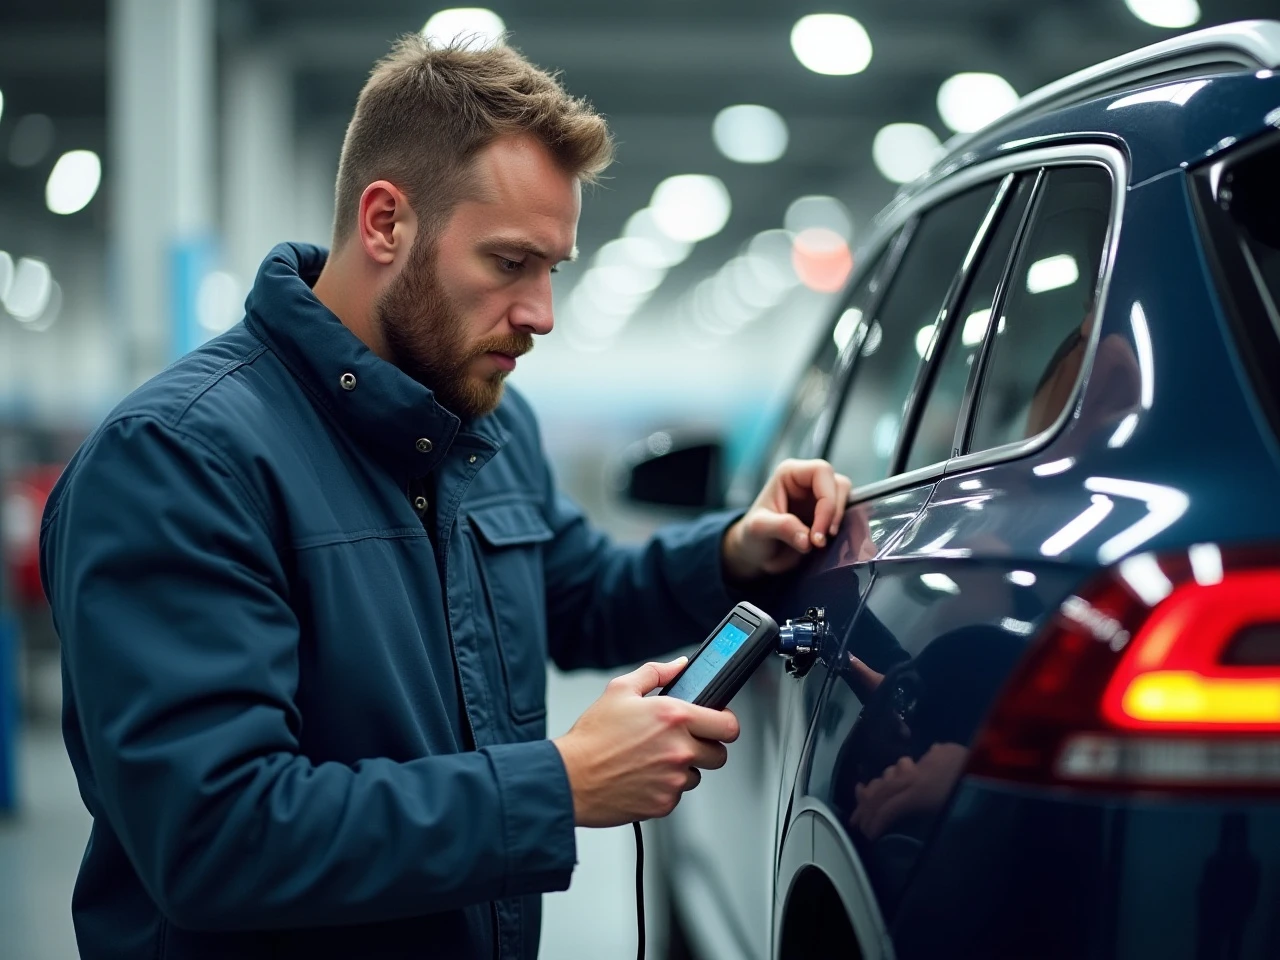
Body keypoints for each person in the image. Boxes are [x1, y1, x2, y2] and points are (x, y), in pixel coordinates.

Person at [39, 36, 853, 960]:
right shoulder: (179, 461)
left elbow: (573, 595)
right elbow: (216, 837)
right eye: (510, 263)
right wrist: (559, 785)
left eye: (554, 268)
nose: (543, 311)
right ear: (386, 222)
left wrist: (734, 552)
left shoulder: (483, 429)